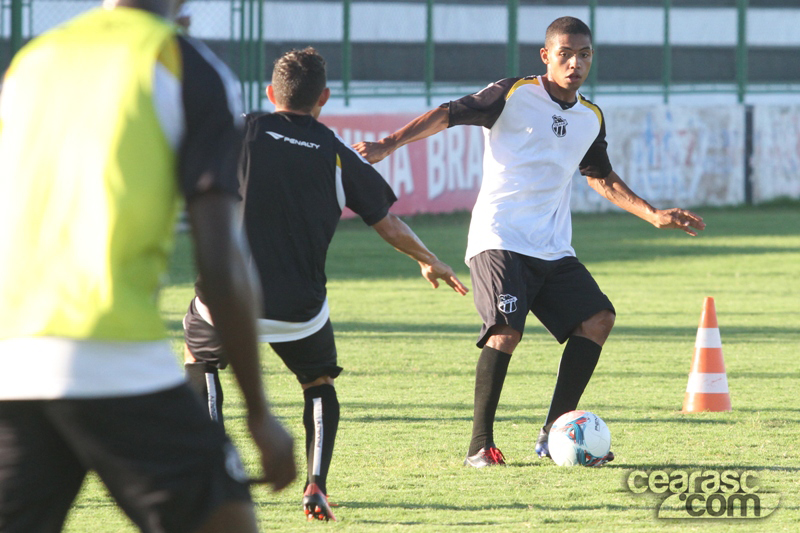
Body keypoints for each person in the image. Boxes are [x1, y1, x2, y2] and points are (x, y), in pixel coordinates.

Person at [354, 16, 705, 468]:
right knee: (506, 331)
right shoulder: (513, 93)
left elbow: (599, 174)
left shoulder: (589, 117)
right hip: (498, 236)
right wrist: (389, 143)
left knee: (598, 318)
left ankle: (555, 432)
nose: (575, 63)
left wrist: (652, 214)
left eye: (584, 55)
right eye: (565, 54)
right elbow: (448, 113)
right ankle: (479, 446)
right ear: (546, 56)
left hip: (552, 246)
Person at [0, 1, 296, 531]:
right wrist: (258, 411)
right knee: (227, 521)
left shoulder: (34, 60)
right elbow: (222, 259)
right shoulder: (186, 67)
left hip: (11, 356)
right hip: (107, 345)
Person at [182, 47, 468, 520]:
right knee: (317, 383)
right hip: (300, 310)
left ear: (272, 92)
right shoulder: (335, 152)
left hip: (228, 297)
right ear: (325, 98)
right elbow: (388, 223)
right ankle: (316, 485)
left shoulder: (244, 128)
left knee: (201, 360)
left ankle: (217, 470)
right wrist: (430, 259)